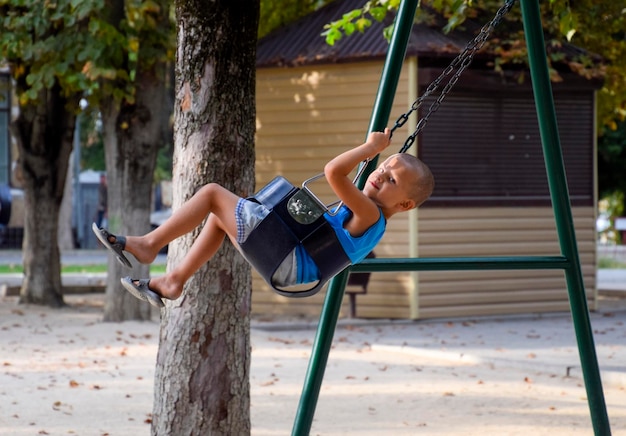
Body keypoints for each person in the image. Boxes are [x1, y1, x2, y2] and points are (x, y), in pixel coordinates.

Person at [92, 128, 434, 308]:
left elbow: (333, 172)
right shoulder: (370, 213)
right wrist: (376, 158)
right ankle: (173, 280)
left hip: (288, 259)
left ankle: (150, 245)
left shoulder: (370, 214)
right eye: (385, 167)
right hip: (290, 261)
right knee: (219, 218)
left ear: (404, 205)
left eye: (391, 180)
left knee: (212, 193)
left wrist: (371, 149)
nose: (380, 175)